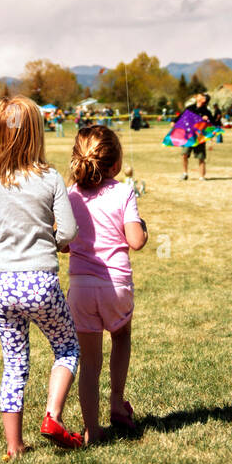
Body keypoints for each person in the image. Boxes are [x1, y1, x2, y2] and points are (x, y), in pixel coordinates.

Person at [0, 96, 82, 458]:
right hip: (41, 282)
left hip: (4, 283)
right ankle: (52, 416)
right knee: (66, 347)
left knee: (14, 362)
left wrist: (6, 240)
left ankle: (14, 445)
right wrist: (49, 241)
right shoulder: (49, 178)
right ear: (37, 133)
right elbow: (67, 231)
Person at [64, 126, 148, 443]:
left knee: (89, 364)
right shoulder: (124, 191)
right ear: (115, 165)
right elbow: (136, 241)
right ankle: (116, 401)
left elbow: (63, 242)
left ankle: (92, 431)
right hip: (116, 287)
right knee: (121, 335)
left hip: (81, 290)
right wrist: (144, 227)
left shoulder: (70, 196)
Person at [181, 93, 218, 181]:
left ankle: (202, 176)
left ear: (204, 100)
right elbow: (181, 117)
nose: (199, 96)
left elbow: (213, 124)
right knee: (184, 154)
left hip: (200, 136)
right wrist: (174, 121)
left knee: (201, 157)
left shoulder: (206, 112)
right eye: (199, 95)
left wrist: (207, 120)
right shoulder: (190, 108)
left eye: (202, 96)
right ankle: (185, 173)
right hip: (189, 135)